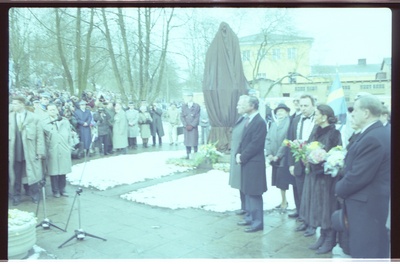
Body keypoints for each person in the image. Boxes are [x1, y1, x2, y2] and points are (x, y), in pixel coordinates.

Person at [335, 95, 390, 258]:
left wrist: (337, 188)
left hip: (366, 209)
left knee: (365, 252)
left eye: (355, 110)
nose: (352, 114)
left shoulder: (373, 138)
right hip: (371, 205)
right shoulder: (376, 132)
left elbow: (358, 176)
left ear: (366, 113)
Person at [301, 104, 342, 254]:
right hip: (313, 175)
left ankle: (330, 239)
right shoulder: (315, 130)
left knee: (327, 207)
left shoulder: (334, 133)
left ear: (324, 116)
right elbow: (308, 147)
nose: (315, 116)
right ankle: (322, 236)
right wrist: (306, 156)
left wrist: (323, 159)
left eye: (317, 114)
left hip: (326, 178)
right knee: (317, 207)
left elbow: (337, 155)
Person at [235, 95, 267, 233]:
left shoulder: (260, 122)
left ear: (252, 106)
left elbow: (256, 144)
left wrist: (242, 156)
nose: (240, 106)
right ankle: (250, 217)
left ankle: (258, 222)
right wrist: (238, 153)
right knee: (247, 191)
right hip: (247, 162)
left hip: (254, 163)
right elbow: (244, 141)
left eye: (243, 104)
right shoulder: (248, 120)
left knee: (254, 193)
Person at [287, 94, 316, 236]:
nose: (303, 108)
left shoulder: (318, 120)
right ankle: (303, 220)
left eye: (306, 105)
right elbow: (291, 142)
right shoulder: (296, 120)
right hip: (298, 164)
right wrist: (291, 164)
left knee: (312, 195)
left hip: (314, 164)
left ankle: (312, 223)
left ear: (313, 106)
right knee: (300, 193)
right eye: (301, 105)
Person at [9, 96, 45, 206]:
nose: (13, 105)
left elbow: (40, 136)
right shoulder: (9, 117)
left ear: (22, 104)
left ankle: (35, 194)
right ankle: (16, 196)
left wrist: (39, 151)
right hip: (14, 152)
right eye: (13, 103)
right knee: (16, 175)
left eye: (15, 104)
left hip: (30, 151)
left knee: (33, 173)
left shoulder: (34, 118)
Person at [42, 103, 73, 198]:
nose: (53, 111)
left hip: (64, 149)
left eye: (54, 109)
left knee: (63, 171)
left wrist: (69, 146)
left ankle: (62, 189)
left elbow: (69, 134)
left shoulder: (64, 121)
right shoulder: (44, 123)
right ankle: (55, 190)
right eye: (50, 109)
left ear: (57, 110)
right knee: (53, 171)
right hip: (52, 149)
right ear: (47, 111)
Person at [264, 103, 291, 212]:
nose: (279, 113)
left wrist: (278, 155)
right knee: (278, 182)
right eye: (278, 111)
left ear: (287, 112)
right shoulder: (274, 124)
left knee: (282, 181)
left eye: (282, 111)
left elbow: (286, 141)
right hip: (273, 157)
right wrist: (269, 154)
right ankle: (283, 200)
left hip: (283, 158)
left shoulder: (289, 123)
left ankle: (284, 202)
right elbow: (268, 139)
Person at [229, 95, 248, 216]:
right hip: (237, 154)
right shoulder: (242, 118)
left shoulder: (248, 120)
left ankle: (247, 208)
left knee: (245, 183)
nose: (237, 107)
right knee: (241, 183)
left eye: (240, 105)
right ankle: (244, 206)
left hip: (243, 156)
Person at [180, 92, 200, 159]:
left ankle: (195, 154)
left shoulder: (196, 106)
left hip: (193, 128)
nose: (189, 98)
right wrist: (185, 125)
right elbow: (182, 116)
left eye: (190, 96)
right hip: (186, 127)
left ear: (192, 97)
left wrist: (192, 125)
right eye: (188, 96)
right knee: (187, 141)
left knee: (194, 141)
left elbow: (197, 117)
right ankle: (188, 154)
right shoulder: (184, 106)